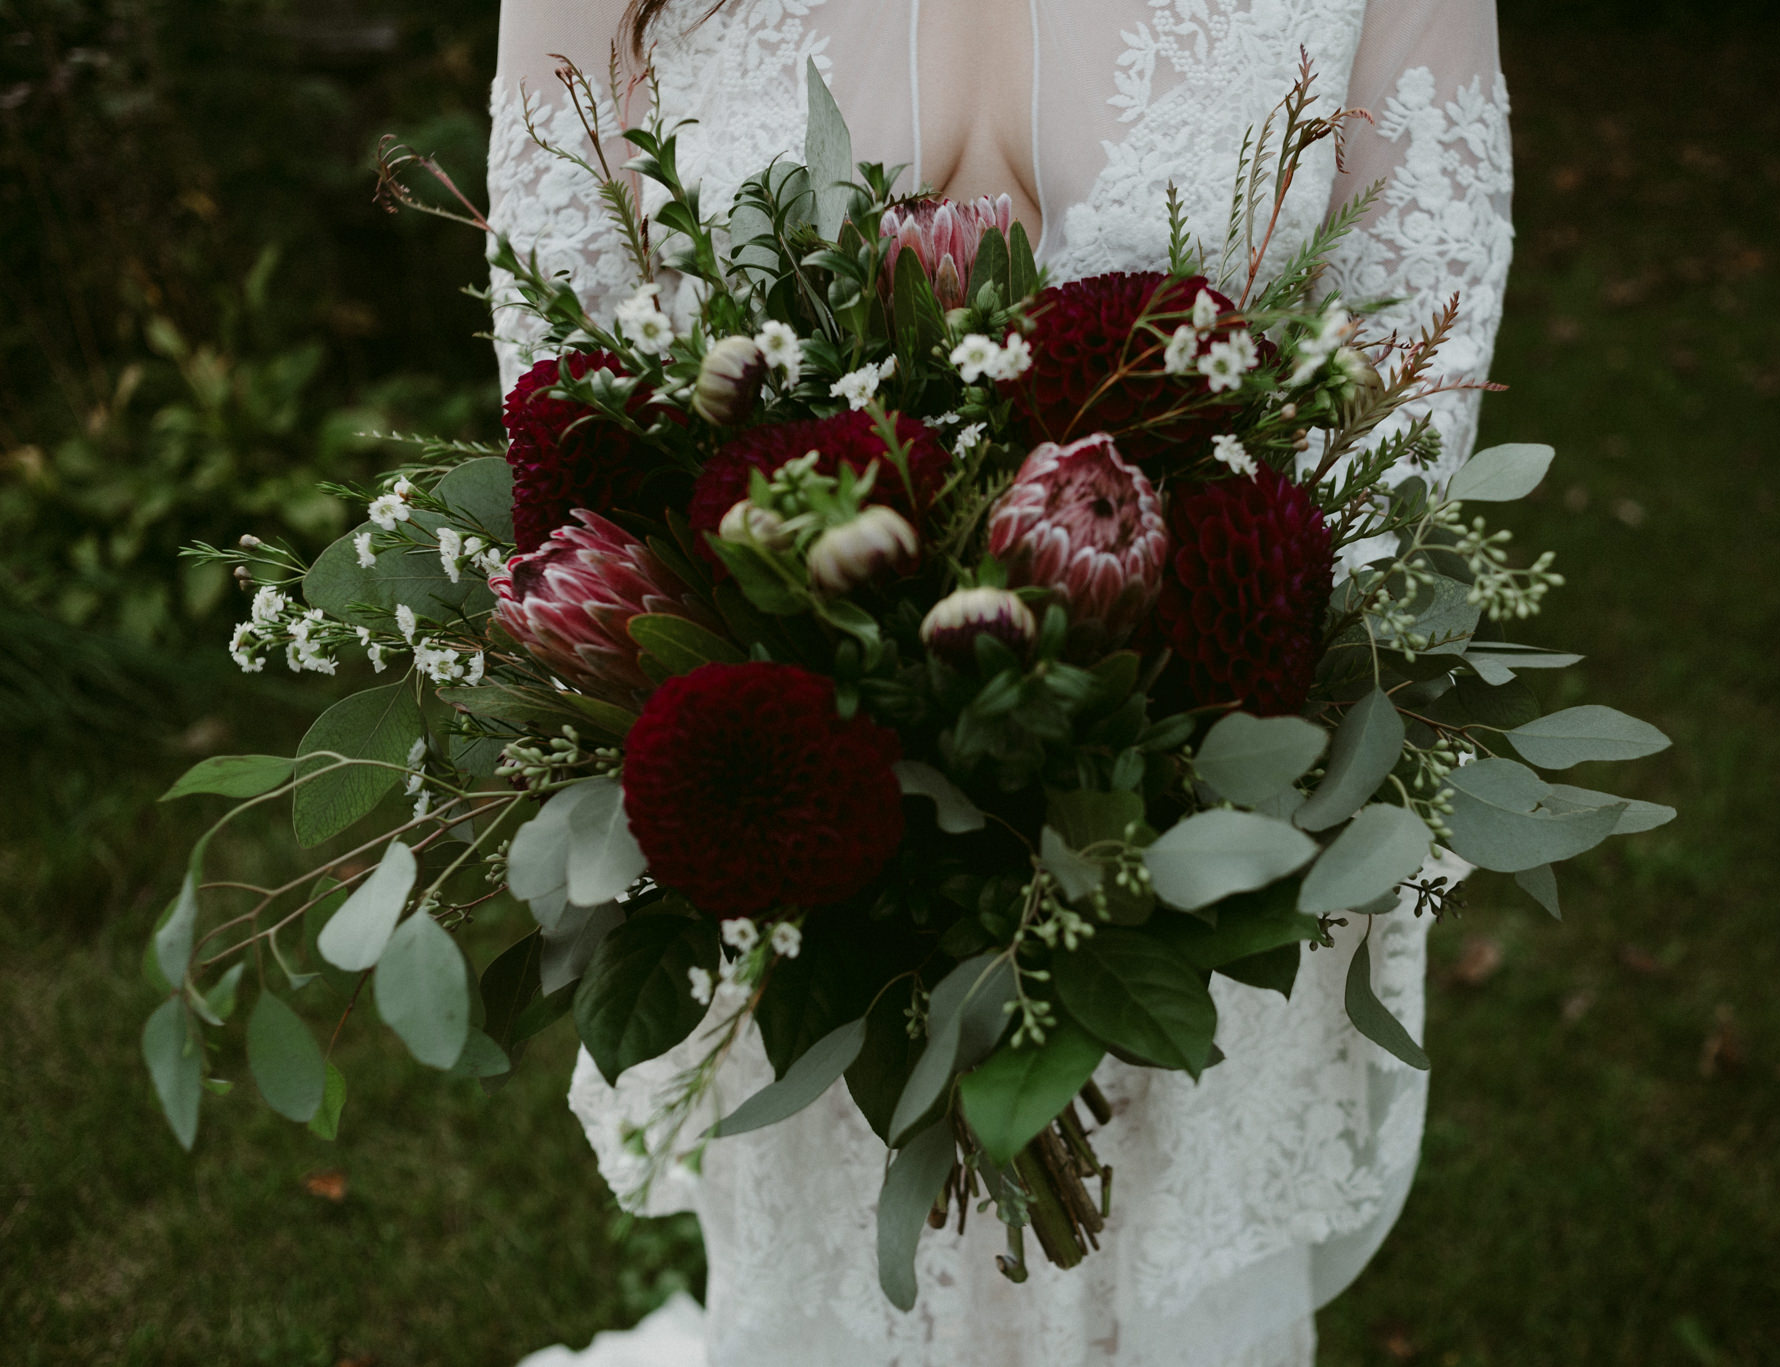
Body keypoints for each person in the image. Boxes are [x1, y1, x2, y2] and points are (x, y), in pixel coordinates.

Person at [490, 3, 1513, 1363]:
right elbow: (585, 428)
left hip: (1193, 811)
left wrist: (1125, 780)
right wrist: (867, 780)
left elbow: (1410, 394)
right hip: (803, 832)